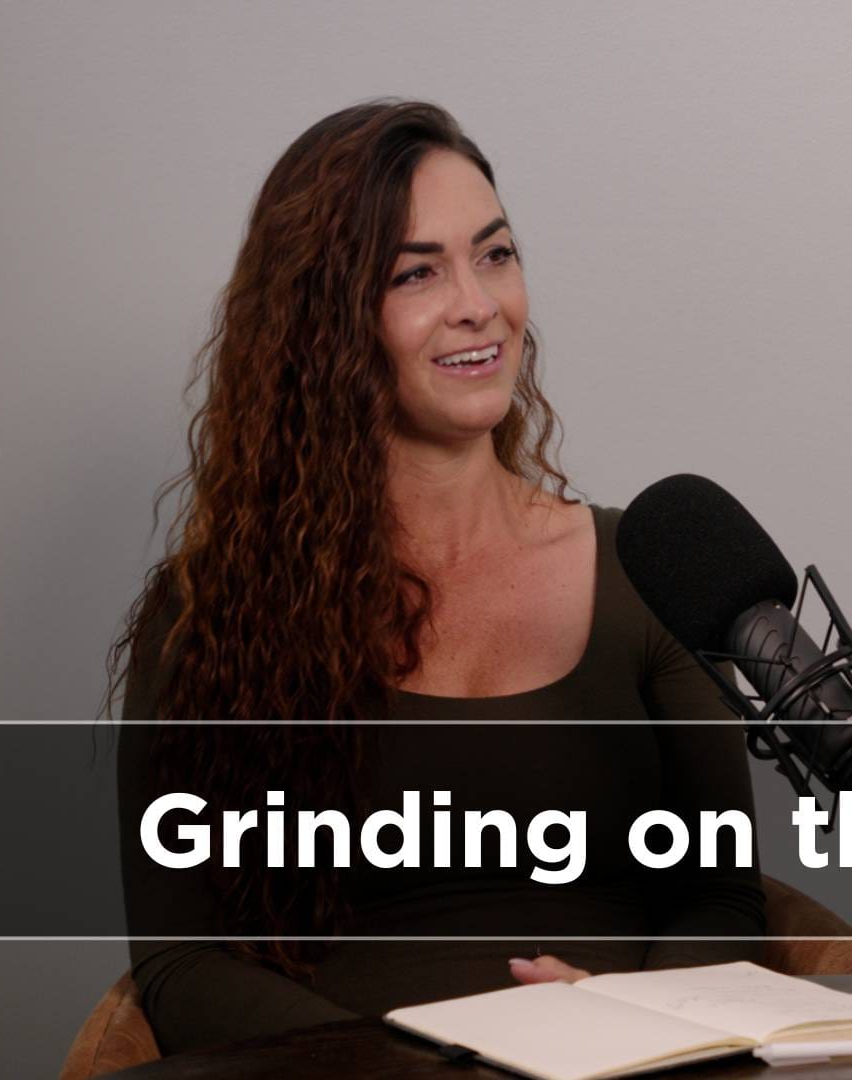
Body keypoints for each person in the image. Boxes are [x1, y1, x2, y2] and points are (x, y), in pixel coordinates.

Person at [105, 99, 764, 1056]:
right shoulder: (207, 613)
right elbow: (183, 962)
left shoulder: (648, 572)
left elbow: (722, 898)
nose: (477, 304)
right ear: (321, 324)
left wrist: (633, 1025)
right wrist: (421, 1063)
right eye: (417, 272)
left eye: (495, 254)